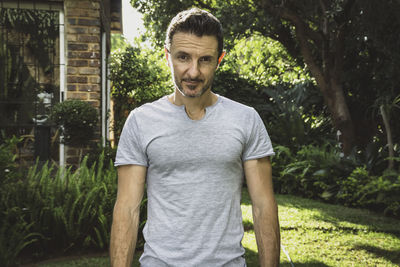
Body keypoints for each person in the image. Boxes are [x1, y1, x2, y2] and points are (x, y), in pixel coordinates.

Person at [110, 8, 280, 267]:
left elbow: (263, 206)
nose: (193, 72)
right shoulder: (141, 121)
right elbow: (127, 210)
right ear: (167, 57)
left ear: (219, 60)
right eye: (183, 57)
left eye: (205, 59)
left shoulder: (246, 119)